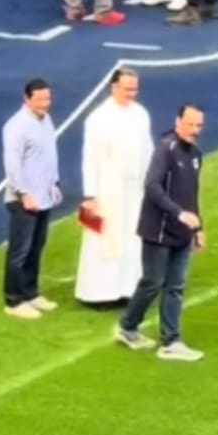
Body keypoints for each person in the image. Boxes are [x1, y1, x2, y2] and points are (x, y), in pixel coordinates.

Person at [115, 104, 206, 361]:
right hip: (159, 229)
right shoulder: (166, 149)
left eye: (199, 125)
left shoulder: (196, 154)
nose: (195, 130)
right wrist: (178, 213)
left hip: (182, 232)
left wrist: (198, 227)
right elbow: (152, 186)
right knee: (153, 282)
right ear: (178, 122)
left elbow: (192, 194)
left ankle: (171, 341)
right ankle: (128, 326)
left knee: (175, 286)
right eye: (191, 124)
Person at [74, 67, 154, 308]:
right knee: (104, 240)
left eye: (135, 89)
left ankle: (128, 289)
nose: (132, 94)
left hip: (135, 188)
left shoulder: (141, 114)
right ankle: (98, 293)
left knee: (132, 239)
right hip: (107, 189)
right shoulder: (99, 118)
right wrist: (90, 194)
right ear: (114, 87)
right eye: (127, 89)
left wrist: (152, 183)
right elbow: (89, 159)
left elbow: (147, 151)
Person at [1, 78, 62, 320]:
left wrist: (54, 183)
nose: (45, 103)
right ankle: (13, 300)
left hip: (43, 195)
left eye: (47, 98)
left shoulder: (46, 120)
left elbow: (49, 155)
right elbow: (12, 163)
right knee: (20, 251)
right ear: (26, 98)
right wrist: (24, 193)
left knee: (36, 248)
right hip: (24, 199)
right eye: (40, 99)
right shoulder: (16, 126)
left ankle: (30, 292)